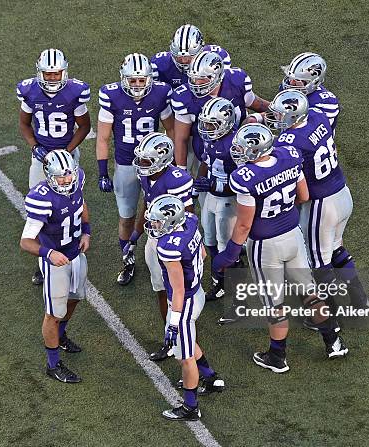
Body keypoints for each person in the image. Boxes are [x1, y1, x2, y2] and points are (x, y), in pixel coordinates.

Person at [213, 124, 348, 372]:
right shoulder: (289, 156)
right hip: (293, 235)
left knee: (274, 303)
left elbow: (243, 225)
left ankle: (277, 357)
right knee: (309, 292)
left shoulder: (246, 179)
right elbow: (304, 195)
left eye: (243, 148)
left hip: (266, 245)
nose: (239, 151)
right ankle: (333, 341)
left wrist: (229, 254)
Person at [265, 89, 369, 314]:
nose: (276, 119)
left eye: (281, 115)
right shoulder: (317, 117)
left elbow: (284, 165)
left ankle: (329, 315)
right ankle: (360, 301)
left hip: (322, 204)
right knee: (336, 249)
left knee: (318, 262)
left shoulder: (289, 141)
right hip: (342, 193)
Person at [95, 53, 174, 286]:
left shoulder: (160, 93)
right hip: (127, 163)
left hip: (155, 165)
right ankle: (127, 258)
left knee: (160, 212)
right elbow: (103, 137)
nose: (138, 85)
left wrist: (172, 162)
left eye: (141, 80)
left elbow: (170, 130)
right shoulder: (111, 95)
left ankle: (164, 254)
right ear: (123, 79)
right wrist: (102, 171)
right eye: (133, 80)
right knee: (126, 216)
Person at [144, 194, 223, 421]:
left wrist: (173, 323)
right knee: (185, 346)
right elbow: (204, 254)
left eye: (158, 222)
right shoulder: (189, 222)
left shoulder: (169, 247)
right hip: (196, 292)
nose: (153, 226)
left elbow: (178, 290)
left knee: (184, 357)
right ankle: (210, 377)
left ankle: (191, 407)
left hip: (184, 302)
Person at [17, 48, 91, 285]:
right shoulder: (30, 92)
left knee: (71, 199)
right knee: (39, 208)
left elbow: (84, 126)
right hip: (41, 157)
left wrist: (66, 152)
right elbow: (24, 125)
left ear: (64, 73)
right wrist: (35, 147)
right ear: (40, 73)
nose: (52, 78)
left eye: (56, 74)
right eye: (48, 74)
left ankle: (74, 239)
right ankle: (43, 259)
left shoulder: (74, 93)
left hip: (66, 155)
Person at [19, 150, 90, 383]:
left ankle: (60, 335)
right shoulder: (42, 197)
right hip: (55, 261)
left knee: (76, 297)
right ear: (49, 176)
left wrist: (86, 232)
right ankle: (53, 364)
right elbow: (26, 241)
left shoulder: (76, 179)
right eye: (61, 177)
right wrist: (49, 253)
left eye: (68, 175)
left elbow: (82, 204)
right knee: (53, 313)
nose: (67, 180)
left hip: (76, 253)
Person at [127, 133, 194, 361]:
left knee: (179, 289)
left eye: (146, 160)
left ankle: (179, 331)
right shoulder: (147, 176)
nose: (141, 164)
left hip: (174, 242)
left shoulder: (177, 179)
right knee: (160, 287)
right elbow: (147, 203)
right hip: (154, 237)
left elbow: (189, 216)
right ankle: (169, 334)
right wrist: (136, 233)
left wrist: (182, 247)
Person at [171, 51, 270, 196]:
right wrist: (181, 171)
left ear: (217, 76)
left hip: (243, 154)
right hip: (209, 156)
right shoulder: (185, 97)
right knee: (209, 200)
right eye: (194, 79)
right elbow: (181, 138)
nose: (196, 84)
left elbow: (254, 102)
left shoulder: (236, 82)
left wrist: (279, 108)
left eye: (202, 79)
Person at [193, 97, 240, 302]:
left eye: (212, 124)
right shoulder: (212, 139)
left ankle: (238, 290)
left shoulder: (236, 145)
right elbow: (205, 162)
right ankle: (220, 281)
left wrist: (214, 185)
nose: (206, 127)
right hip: (212, 196)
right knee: (209, 239)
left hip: (228, 201)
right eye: (205, 123)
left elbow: (243, 181)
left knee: (226, 246)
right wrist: (199, 183)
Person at [150, 24, 231, 90]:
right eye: (179, 57)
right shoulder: (159, 63)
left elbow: (222, 88)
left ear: (201, 51)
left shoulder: (217, 58)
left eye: (189, 57)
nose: (184, 61)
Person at [279, 52, 340, 129]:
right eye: (290, 78)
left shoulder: (325, 102)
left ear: (314, 82)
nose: (291, 83)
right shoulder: (290, 87)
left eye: (297, 80)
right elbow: (280, 113)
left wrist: (276, 125)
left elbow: (306, 132)